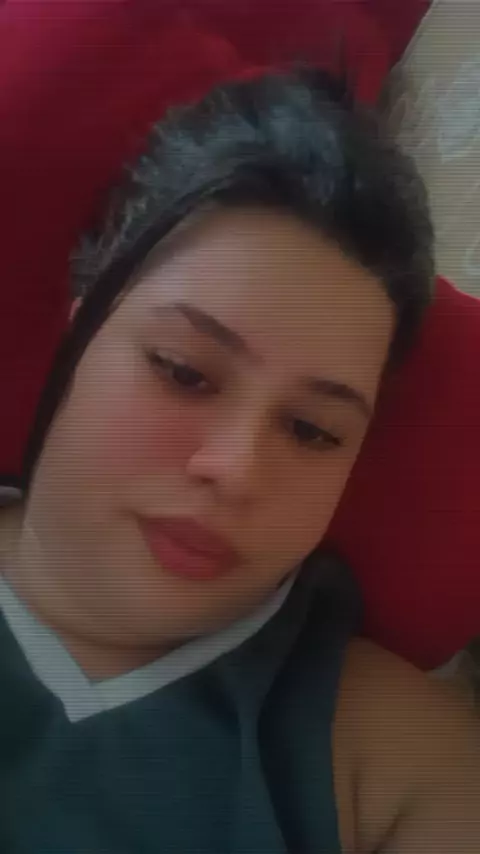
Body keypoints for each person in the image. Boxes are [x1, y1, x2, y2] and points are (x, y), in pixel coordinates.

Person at [0, 66, 478, 853]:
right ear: (80, 334)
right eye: (183, 372)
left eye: (312, 430)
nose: (236, 468)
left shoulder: (394, 767)